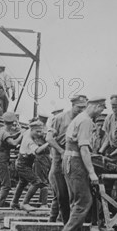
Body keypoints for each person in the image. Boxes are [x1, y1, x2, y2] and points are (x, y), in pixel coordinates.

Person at [59, 97, 107, 231]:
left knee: (76, 199)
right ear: (95, 106)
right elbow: (84, 148)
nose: (101, 112)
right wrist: (92, 172)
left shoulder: (80, 118)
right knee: (84, 200)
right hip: (75, 161)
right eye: (101, 108)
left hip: (70, 160)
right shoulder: (86, 121)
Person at [46, 95, 87, 223]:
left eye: (83, 107)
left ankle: (72, 224)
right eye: (79, 107)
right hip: (60, 159)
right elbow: (49, 138)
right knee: (61, 194)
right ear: (72, 105)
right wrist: (61, 151)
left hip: (76, 160)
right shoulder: (60, 118)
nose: (81, 110)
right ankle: (64, 223)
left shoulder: (85, 119)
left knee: (75, 195)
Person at [11, 120, 50, 211]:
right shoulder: (29, 140)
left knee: (22, 183)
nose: (39, 134)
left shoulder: (28, 131)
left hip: (23, 162)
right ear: (32, 130)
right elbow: (37, 151)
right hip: (23, 164)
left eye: (40, 131)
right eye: (37, 131)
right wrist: (48, 143)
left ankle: (14, 202)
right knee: (36, 182)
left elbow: (36, 131)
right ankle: (25, 203)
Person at [0, 112, 23, 208]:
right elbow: (13, 143)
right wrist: (22, 135)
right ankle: (1, 204)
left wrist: (18, 133)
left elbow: (11, 136)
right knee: (6, 184)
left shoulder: (1, 129)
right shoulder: (4, 132)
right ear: (13, 122)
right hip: (1, 159)